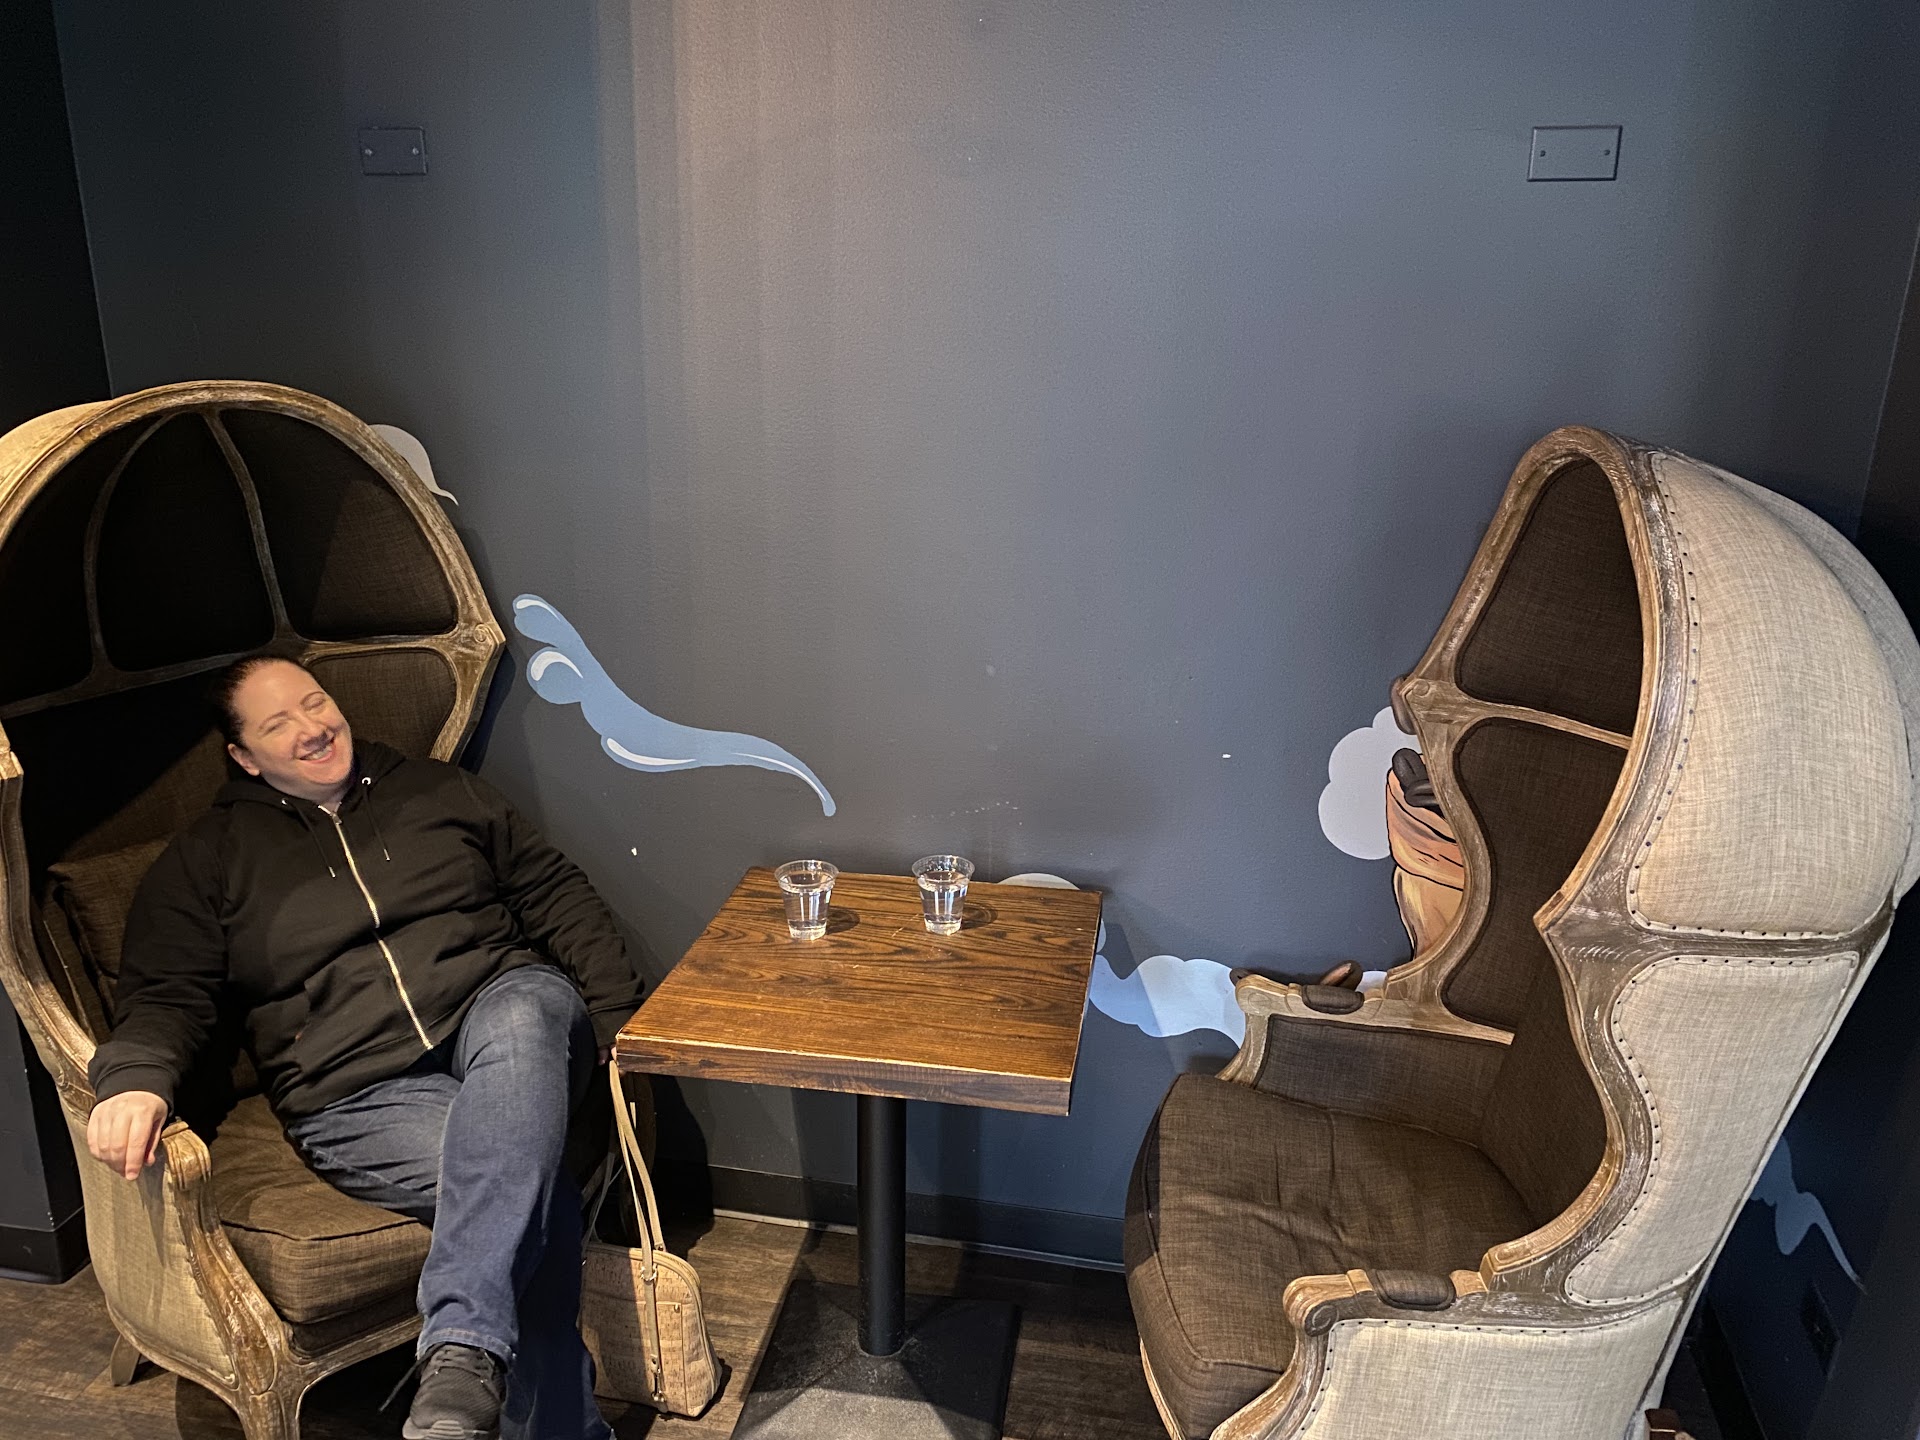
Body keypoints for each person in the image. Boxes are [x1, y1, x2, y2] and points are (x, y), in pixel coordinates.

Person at [84, 655, 645, 1440]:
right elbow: (163, 992)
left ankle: (460, 1349)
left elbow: (553, 891)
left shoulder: (438, 790)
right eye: (279, 723)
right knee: (523, 1175)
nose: (313, 728)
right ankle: (551, 1422)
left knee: (529, 1009)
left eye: (315, 703)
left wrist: (618, 1016)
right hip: (353, 1090)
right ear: (244, 756)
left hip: (499, 1012)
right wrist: (136, 1079)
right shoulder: (207, 861)